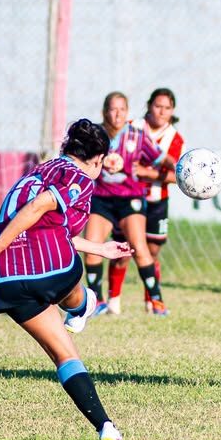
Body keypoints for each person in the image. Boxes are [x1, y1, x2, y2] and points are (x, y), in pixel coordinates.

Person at [0, 118, 130, 440]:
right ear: (98, 159)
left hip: (6, 279)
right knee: (66, 280)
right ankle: (83, 304)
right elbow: (41, 207)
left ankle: (106, 427)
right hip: (50, 268)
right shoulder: (79, 177)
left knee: (64, 355)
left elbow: (46, 226)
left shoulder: (37, 173)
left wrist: (100, 248)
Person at [83, 92, 171, 316]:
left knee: (139, 248)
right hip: (100, 198)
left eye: (122, 109)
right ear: (105, 111)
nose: (117, 114)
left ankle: (157, 300)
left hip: (129, 199)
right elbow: (77, 159)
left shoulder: (137, 135)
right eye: (113, 109)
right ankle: (96, 301)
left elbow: (161, 158)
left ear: (127, 112)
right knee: (92, 249)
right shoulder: (93, 135)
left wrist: (181, 167)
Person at [135, 88, 185, 309]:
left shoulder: (176, 138)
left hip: (158, 200)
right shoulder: (133, 128)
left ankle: (152, 300)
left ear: (172, 110)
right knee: (124, 251)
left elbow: (178, 176)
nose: (162, 112)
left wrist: (146, 173)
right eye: (158, 106)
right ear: (149, 106)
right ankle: (111, 301)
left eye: (167, 108)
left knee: (152, 251)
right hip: (129, 198)